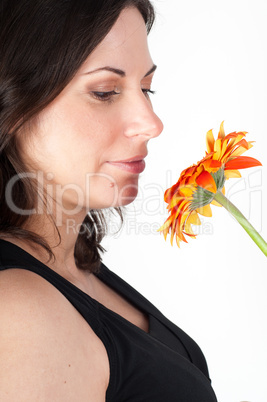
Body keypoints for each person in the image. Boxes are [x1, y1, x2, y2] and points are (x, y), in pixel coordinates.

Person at [0, 0, 218, 400]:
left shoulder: (74, 267)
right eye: (105, 92)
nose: (152, 124)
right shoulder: (19, 310)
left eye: (147, 88)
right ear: (13, 106)